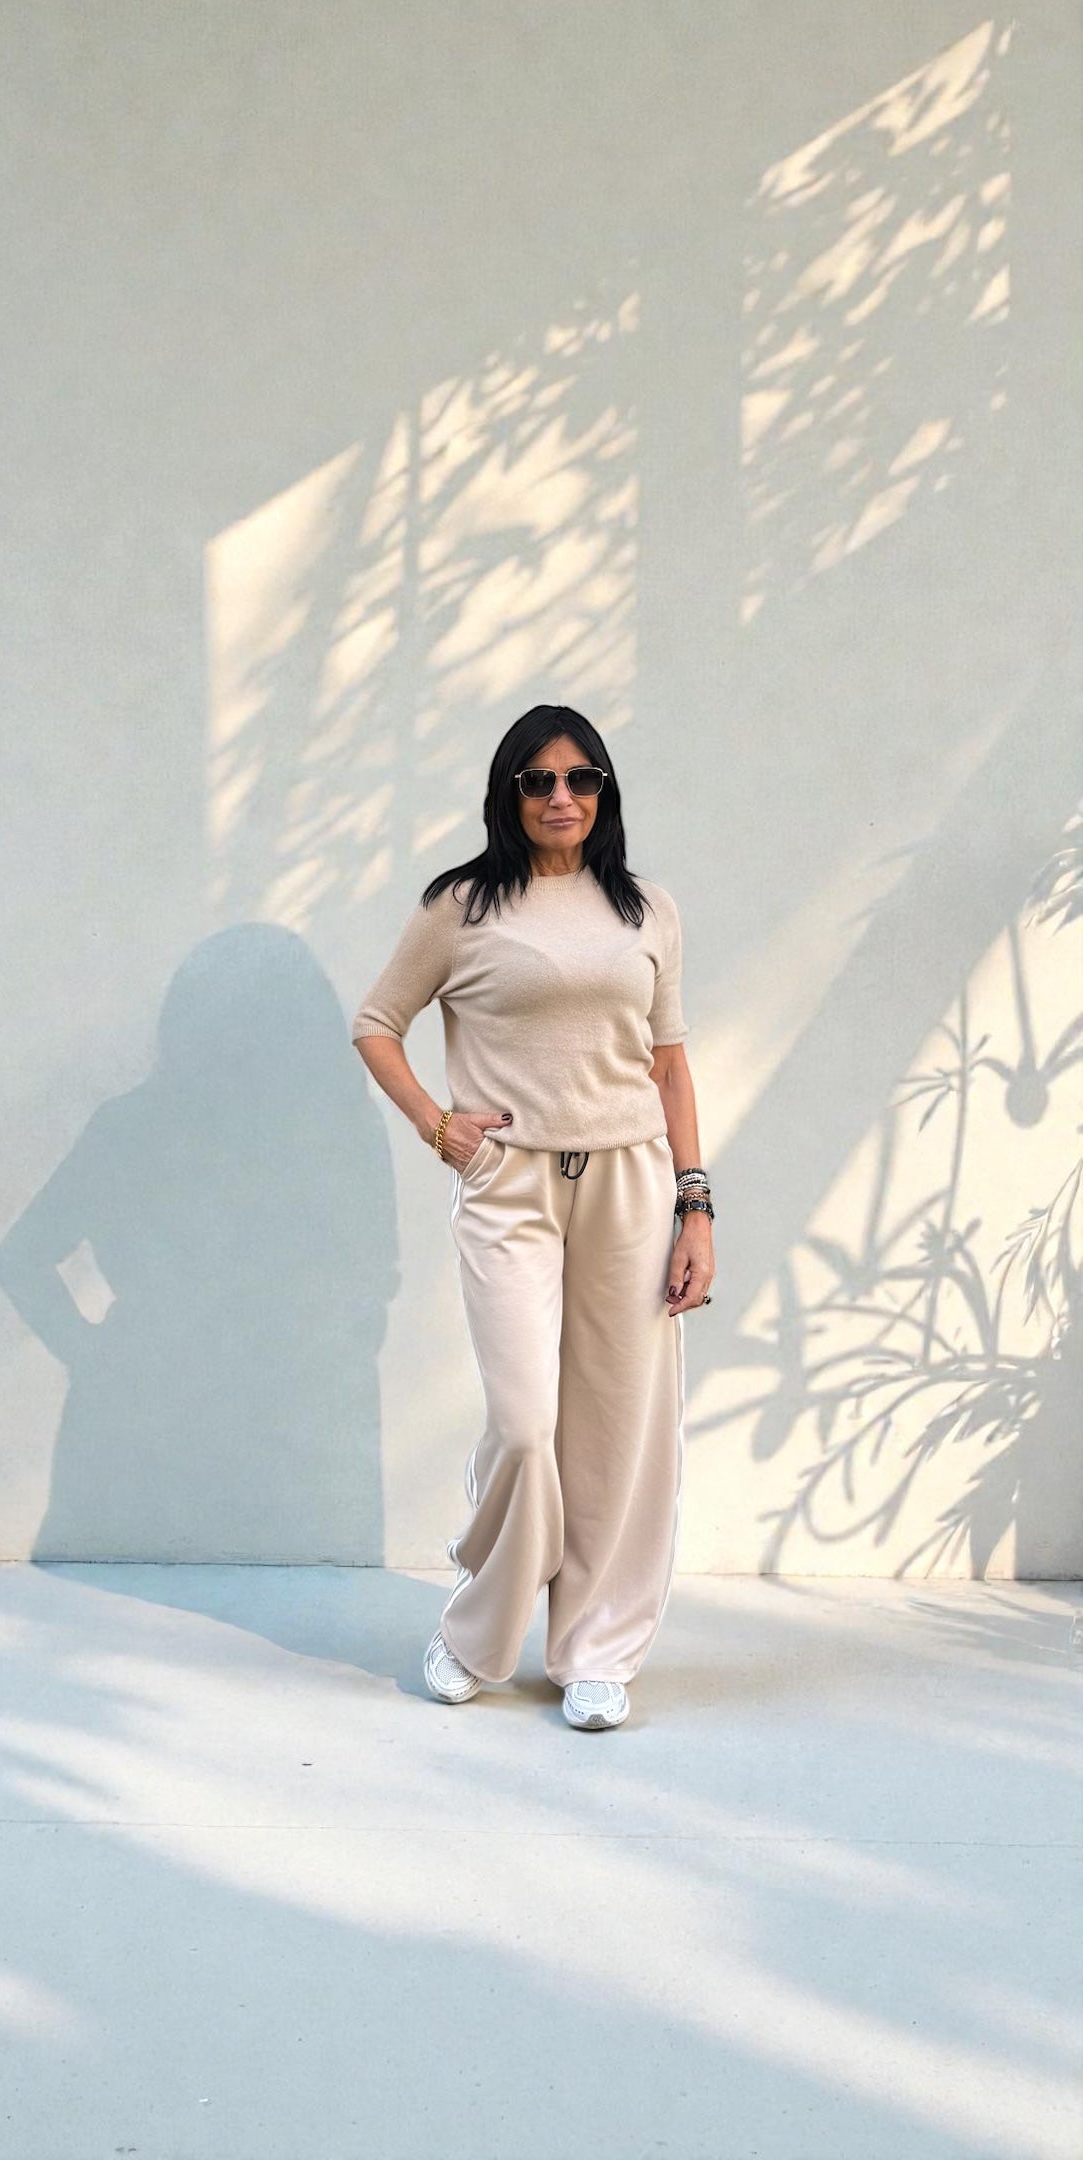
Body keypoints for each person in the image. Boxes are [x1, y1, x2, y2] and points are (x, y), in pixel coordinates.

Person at [350, 704, 714, 1730]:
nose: (563, 797)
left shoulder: (647, 910)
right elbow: (376, 1024)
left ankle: (596, 1649)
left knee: (617, 1428)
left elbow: (670, 1066)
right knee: (524, 1424)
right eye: (539, 780)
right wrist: (438, 1126)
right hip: (509, 1185)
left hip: (632, 1182)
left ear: (605, 791)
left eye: (582, 778)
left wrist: (695, 1206)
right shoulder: (461, 906)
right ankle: (478, 1631)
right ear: (508, 794)